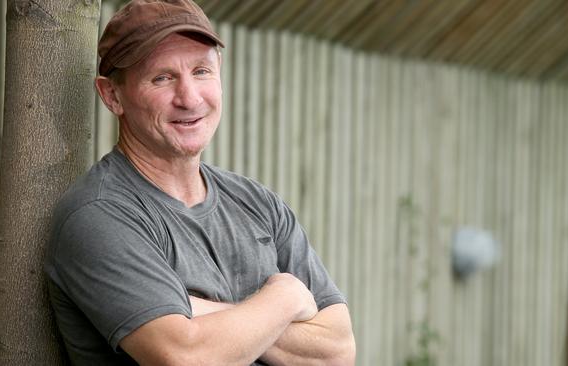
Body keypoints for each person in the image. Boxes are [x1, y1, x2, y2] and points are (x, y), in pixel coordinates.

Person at [44, 0, 355, 365]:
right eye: (162, 78)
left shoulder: (258, 204)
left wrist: (204, 312)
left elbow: (337, 351)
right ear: (113, 95)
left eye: (201, 71)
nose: (189, 98)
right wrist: (283, 298)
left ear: (220, 70)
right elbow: (186, 358)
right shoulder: (99, 216)